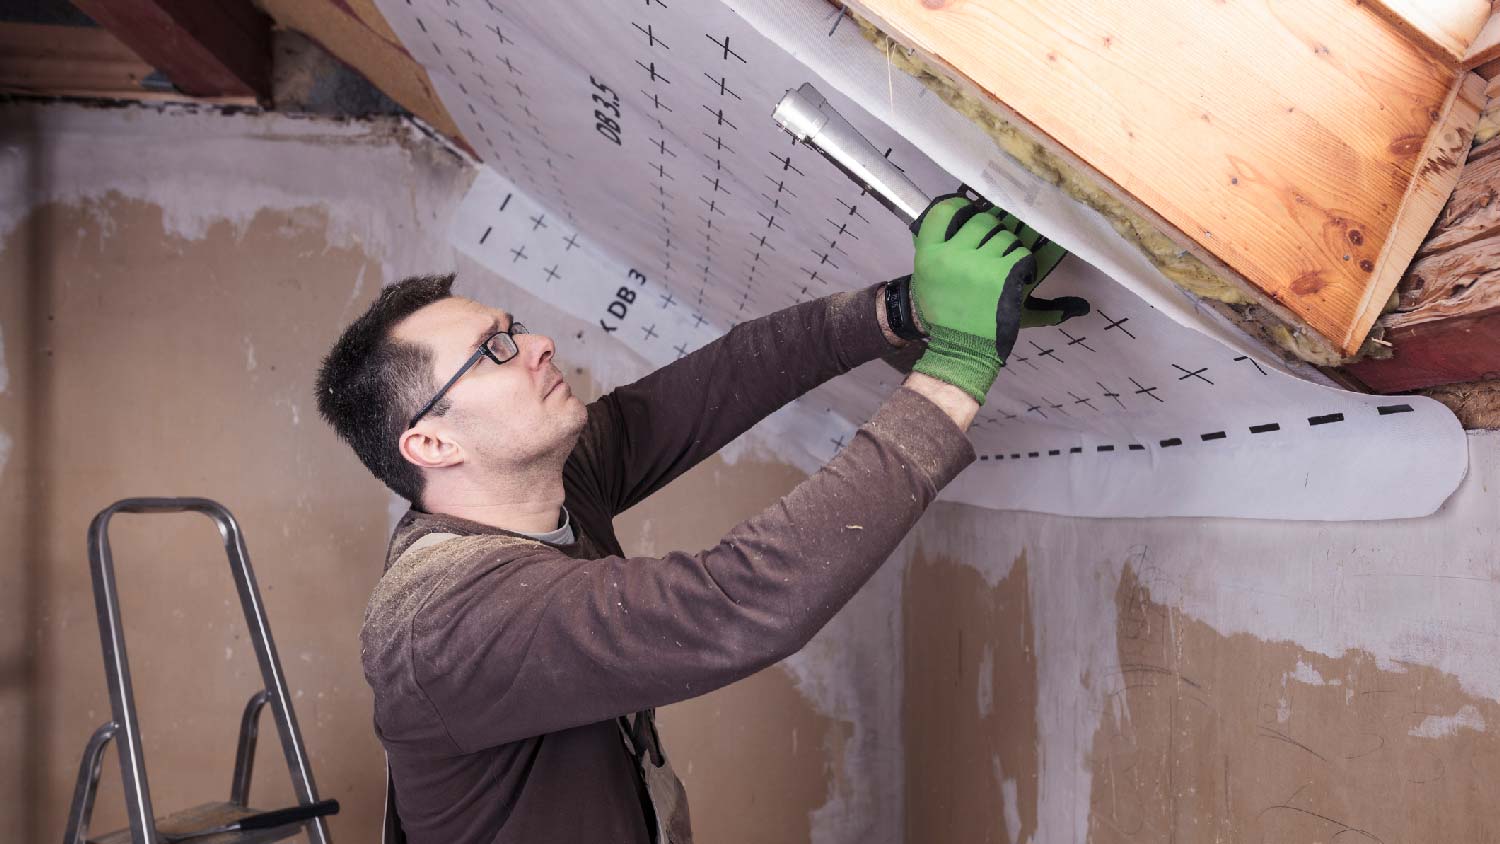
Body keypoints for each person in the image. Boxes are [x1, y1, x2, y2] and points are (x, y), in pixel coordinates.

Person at [314, 195, 1086, 843]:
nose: (539, 344)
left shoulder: (542, 488)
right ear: (432, 442)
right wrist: (959, 360)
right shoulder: (450, 620)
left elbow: (723, 380)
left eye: (513, 327)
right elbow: (737, 602)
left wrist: (905, 308)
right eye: (495, 351)